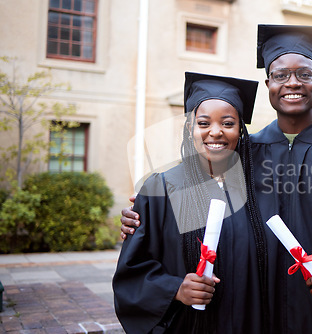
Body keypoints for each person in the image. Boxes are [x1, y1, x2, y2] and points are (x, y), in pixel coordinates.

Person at [121, 25, 312, 333]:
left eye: (304, 74)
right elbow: (197, 198)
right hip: (264, 309)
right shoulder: (247, 153)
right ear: (268, 83)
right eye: (280, 75)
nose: (293, 82)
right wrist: (143, 213)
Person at [113, 72, 269, 334]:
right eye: (204, 123)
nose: (216, 132)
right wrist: (175, 289)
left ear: (240, 130)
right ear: (190, 128)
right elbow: (132, 273)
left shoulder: (258, 190)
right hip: (188, 326)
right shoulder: (161, 189)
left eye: (228, 123)